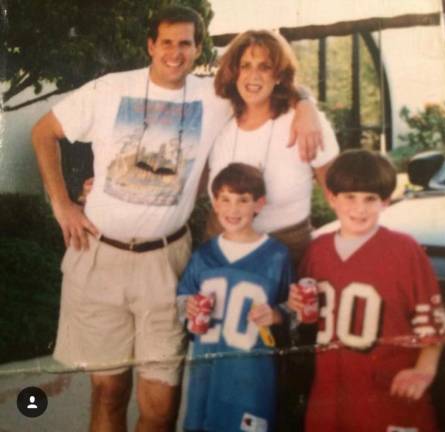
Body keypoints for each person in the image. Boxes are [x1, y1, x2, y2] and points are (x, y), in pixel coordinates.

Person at [31, 5, 323, 431]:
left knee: (161, 404)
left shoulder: (213, 97)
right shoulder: (111, 89)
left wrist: (306, 104)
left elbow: (267, 85)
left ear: (197, 49)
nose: (174, 52)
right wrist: (62, 204)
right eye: (165, 42)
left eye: (185, 43)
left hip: (165, 264)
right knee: (109, 392)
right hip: (100, 258)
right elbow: (43, 131)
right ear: (151, 45)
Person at [206, 29, 339, 431]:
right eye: (245, 65)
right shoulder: (221, 119)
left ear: (280, 75)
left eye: (264, 66)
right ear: (232, 71)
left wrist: (306, 104)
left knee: (281, 372)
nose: (253, 75)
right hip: (222, 259)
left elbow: (338, 195)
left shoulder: (301, 125)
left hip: (285, 256)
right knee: (225, 369)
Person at [288, 149, 445, 432]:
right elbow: (308, 314)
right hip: (330, 387)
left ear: (385, 202)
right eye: (350, 197)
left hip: (388, 385)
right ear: (331, 198)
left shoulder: (405, 250)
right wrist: (297, 304)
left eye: (370, 199)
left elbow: (432, 319)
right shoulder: (318, 249)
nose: (359, 208)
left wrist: (424, 370)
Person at [177, 163, 294, 432]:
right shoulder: (204, 255)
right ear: (215, 204)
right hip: (206, 370)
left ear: (259, 204)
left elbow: (294, 310)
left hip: (251, 373)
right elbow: (182, 298)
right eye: (226, 200)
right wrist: (189, 306)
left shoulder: (277, 256)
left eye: (243, 200)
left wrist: (276, 314)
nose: (233, 209)